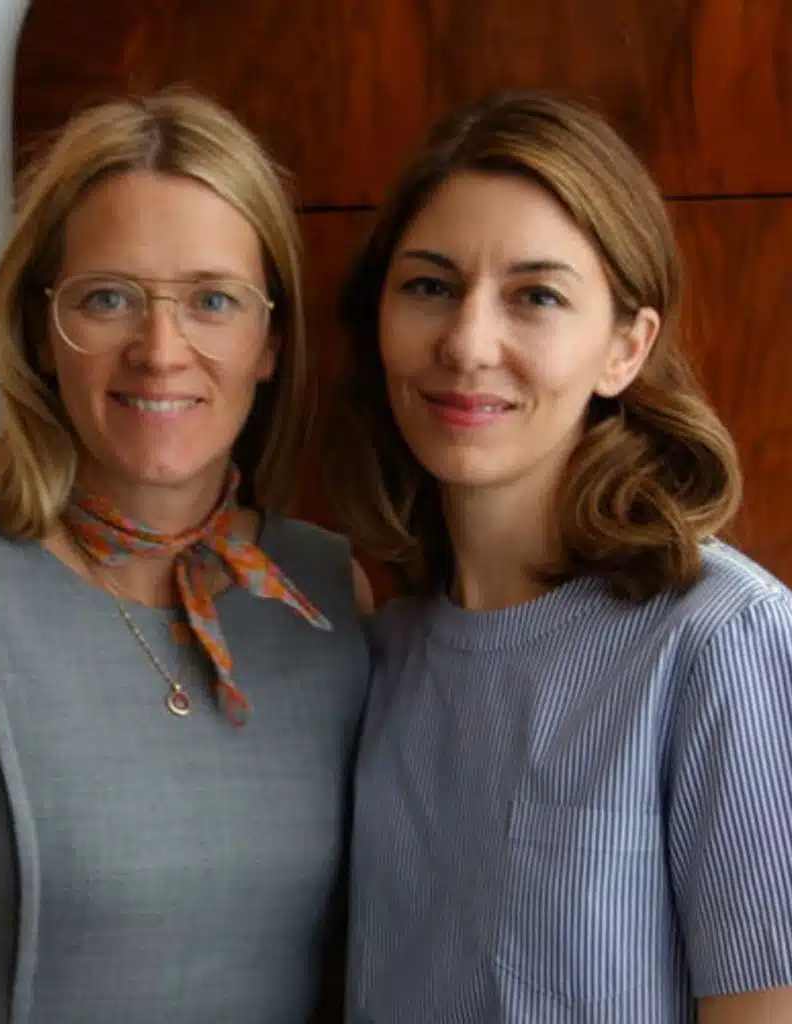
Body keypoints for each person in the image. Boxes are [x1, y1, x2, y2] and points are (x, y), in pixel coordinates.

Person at [0, 89, 372, 1024]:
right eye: (108, 298)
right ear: (41, 333)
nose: (161, 351)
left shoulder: (333, 593)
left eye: (213, 300)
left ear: (270, 341)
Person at [329, 90, 792, 1022]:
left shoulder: (721, 640)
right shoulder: (380, 654)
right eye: (429, 286)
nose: (467, 343)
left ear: (625, 348)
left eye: (536, 296)